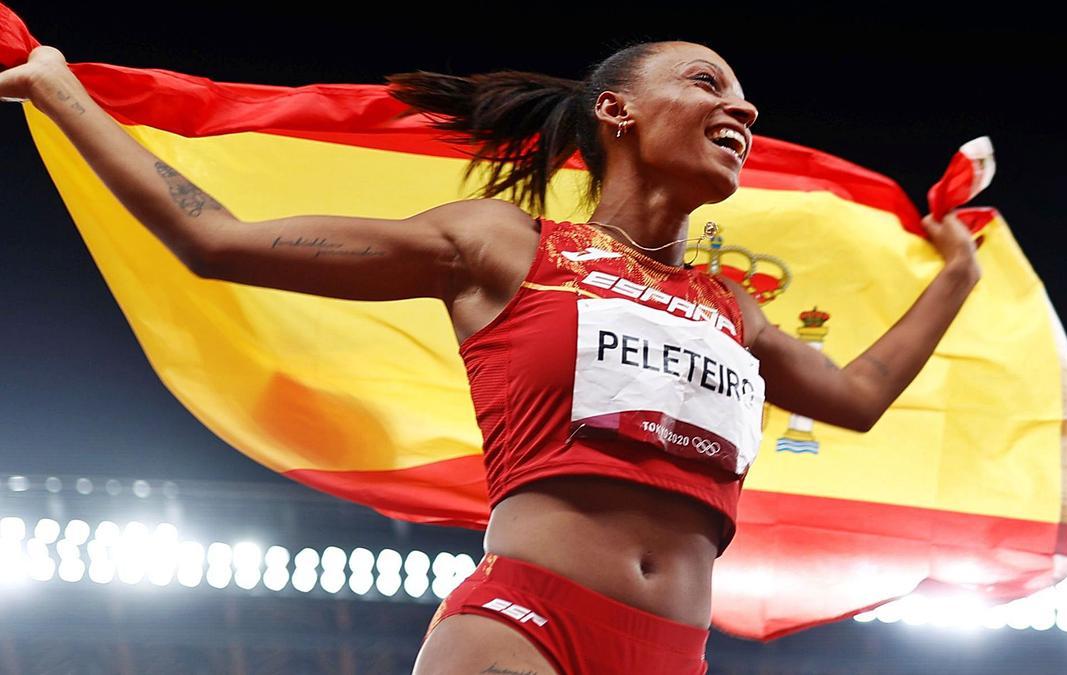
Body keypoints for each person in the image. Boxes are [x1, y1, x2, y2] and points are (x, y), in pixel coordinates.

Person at [1, 40, 981, 674]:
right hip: (524, 627)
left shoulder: (730, 307)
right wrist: (57, 89)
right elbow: (216, 243)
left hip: (675, 653)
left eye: (744, 94)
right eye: (707, 82)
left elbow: (855, 397)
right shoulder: (505, 248)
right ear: (617, 114)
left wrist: (957, 276)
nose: (746, 109)